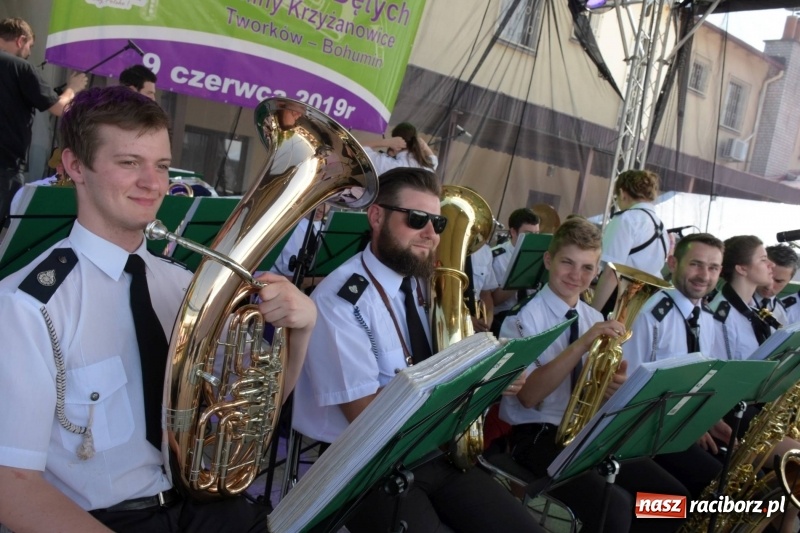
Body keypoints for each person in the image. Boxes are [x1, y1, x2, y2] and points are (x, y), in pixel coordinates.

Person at [0, 86, 317, 533]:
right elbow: (11, 486)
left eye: (162, 166)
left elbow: (245, 418)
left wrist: (299, 332)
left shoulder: (184, 286)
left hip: (203, 505)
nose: (153, 184)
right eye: (129, 163)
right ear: (74, 166)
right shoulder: (27, 306)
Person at [292, 167, 547, 533]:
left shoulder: (415, 284)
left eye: (438, 224)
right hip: (363, 469)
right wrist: (470, 382)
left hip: (429, 452)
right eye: (416, 220)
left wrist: (489, 369)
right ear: (376, 216)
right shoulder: (340, 301)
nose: (430, 234)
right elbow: (367, 418)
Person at [498, 217, 689, 533]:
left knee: (671, 499)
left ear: (598, 270)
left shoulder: (593, 316)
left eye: (588, 267)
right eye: (568, 263)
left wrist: (612, 386)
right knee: (615, 507)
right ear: (548, 260)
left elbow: (597, 389)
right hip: (534, 435)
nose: (576, 275)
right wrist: (584, 342)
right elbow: (529, 396)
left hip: (584, 432)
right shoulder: (519, 321)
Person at [622, 233, 726, 496]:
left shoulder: (707, 317)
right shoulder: (649, 314)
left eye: (712, 267)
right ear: (672, 263)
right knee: (696, 491)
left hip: (679, 425)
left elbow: (702, 377)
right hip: (645, 430)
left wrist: (706, 418)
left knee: (735, 475)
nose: (704, 275)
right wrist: (686, 422)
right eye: (695, 264)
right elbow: (629, 390)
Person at [0, 17, 87, 227]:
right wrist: (73, 89)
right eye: (29, 46)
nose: (29, 52)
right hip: (5, 169)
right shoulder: (21, 67)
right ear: (21, 40)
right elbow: (60, 108)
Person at [592, 169, 669, 315]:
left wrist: (592, 312)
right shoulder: (662, 227)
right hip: (647, 304)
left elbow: (611, 272)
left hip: (619, 303)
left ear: (622, 193)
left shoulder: (626, 219)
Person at [708, 235, 774, 361]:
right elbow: (723, 372)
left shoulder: (755, 309)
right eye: (763, 259)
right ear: (742, 269)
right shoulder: (722, 318)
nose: (772, 264)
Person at [490, 207, 540, 334]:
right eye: (528, 234)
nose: (533, 239)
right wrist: (521, 274)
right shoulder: (495, 257)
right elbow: (494, 300)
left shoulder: (540, 255)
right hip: (504, 316)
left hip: (532, 315)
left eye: (537, 234)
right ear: (513, 232)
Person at [362, 122, 438, 175]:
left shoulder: (387, 164)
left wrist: (385, 142)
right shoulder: (428, 166)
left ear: (395, 140)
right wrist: (425, 146)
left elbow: (357, 148)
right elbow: (433, 159)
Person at [754, 244, 798, 326]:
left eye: (778, 281)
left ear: (788, 281)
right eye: (767, 275)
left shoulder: (782, 312)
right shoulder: (736, 300)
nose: (769, 286)